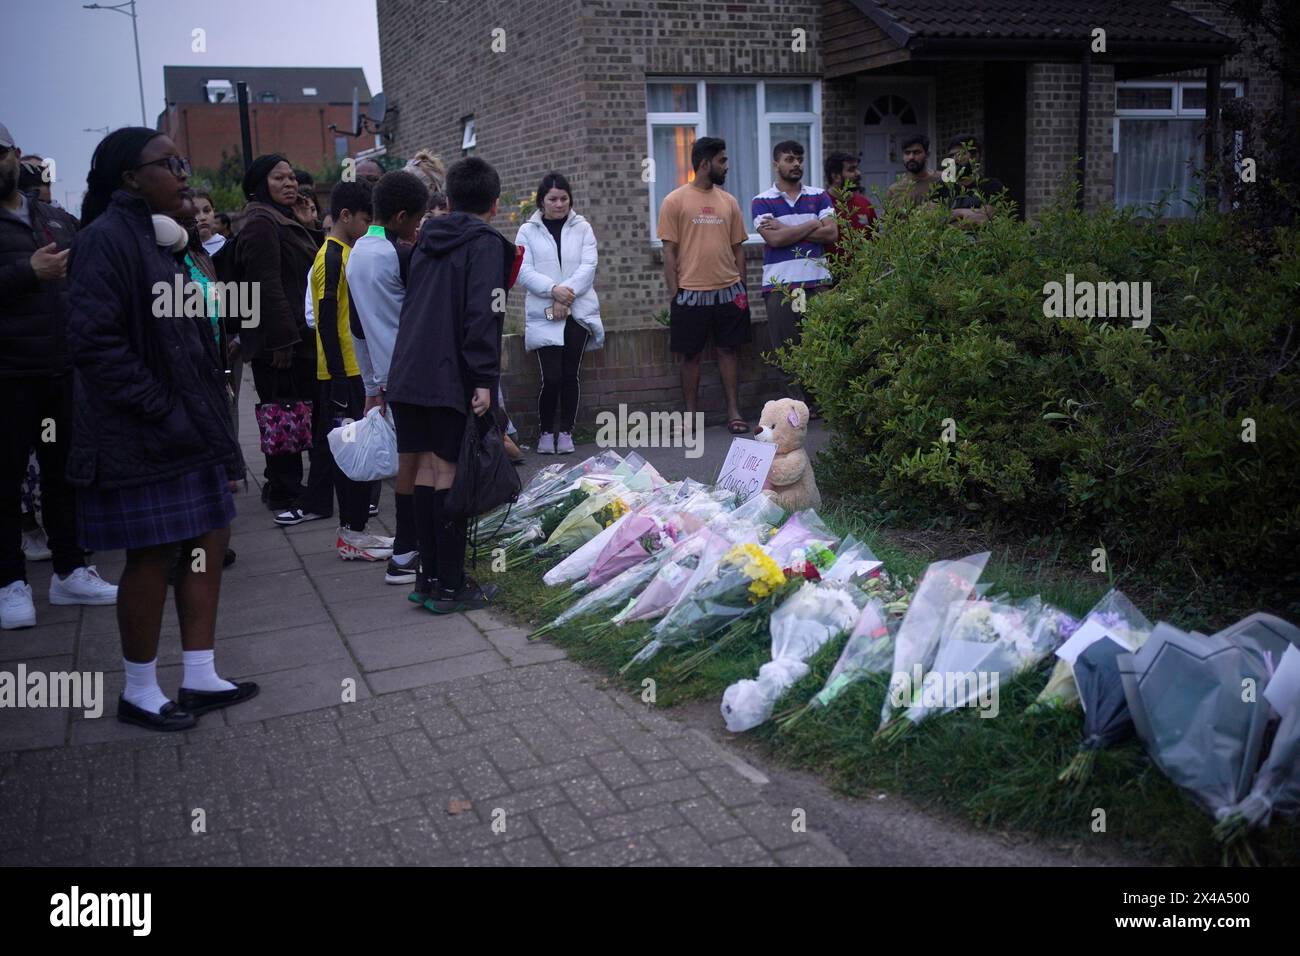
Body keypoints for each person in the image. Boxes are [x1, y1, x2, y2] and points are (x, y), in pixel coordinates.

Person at [65, 127, 253, 730]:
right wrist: (161, 408)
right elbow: (94, 343)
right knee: (151, 555)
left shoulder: (164, 239)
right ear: (129, 178)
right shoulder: (105, 241)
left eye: (182, 161)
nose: (182, 173)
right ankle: (139, 690)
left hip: (190, 425)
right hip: (142, 432)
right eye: (168, 163)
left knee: (208, 539)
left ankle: (199, 674)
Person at [0, 121, 119, 630]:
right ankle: (10, 582)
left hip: (62, 368)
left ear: (16, 155)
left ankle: (70, 570)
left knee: (64, 474)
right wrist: (29, 271)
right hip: (7, 374)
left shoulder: (53, 218)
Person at [387, 156, 516, 613]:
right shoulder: (485, 244)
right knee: (447, 472)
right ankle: (450, 585)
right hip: (447, 375)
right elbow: (484, 312)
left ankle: (427, 579)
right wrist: (483, 378)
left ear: (451, 198)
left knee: (422, 470)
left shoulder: (424, 239)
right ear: (494, 204)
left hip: (407, 373)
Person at [296, 179, 394, 560]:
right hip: (342, 377)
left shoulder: (346, 252)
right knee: (352, 456)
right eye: (367, 221)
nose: (371, 228)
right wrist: (338, 378)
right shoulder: (332, 256)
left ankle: (356, 531)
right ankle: (352, 535)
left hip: (353, 373)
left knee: (359, 454)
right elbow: (323, 321)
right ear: (345, 216)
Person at [345, 169, 429, 584]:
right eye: (416, 219)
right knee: (424, 466)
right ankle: (410, 553)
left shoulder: (358, 252)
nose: (418, 228)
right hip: (415, 372)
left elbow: (357, 325)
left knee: (408, 464)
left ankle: (406, 551)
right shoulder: (401, 256)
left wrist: (371, 386)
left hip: (388, 378)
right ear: (399, 217)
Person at [235, 154, 320, 513]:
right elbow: (265, 284)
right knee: (284, 413)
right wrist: (282, 340)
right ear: (259, 185)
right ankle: (284, 489)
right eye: (278, 178)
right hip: (281, 342)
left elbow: (312, 267)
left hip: (294, 336)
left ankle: (281, 484)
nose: (290, 184)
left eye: (291, 177)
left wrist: (309, 225)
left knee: (293, 410)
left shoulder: (280, 219)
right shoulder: (260, 222)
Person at [656, 136, 751, 435]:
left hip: (728, 291)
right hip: (690, 293)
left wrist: (742, 289)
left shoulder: (729, 201)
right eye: (722, 160)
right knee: (690, 356)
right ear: (704, 163)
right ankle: (690, 418)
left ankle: (734, 412)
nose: (727, 165)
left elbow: (739, 249)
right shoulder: (674, 201)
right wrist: (675, 293)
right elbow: (668, 252)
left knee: (728, 351)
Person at [516, 171, 604, 455]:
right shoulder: (527, 231)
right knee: (551, 377)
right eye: (553, 199)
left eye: (564, 198)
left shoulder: (583, 228)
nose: (559, 204)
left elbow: (588, 266)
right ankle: (545, 432)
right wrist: (553, 290)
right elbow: (523, 271)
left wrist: (565, 296)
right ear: (542, 201)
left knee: (570, 374)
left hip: (577, 311)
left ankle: (566, 431)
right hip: (544, 310)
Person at [751, 140, 837, 409]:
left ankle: (822, 402)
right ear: (776, 164)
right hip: (781, 286)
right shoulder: (761, 200)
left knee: (822, 343)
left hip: (817, 283)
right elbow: (774, 240)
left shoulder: (820, 195)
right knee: (787, 349)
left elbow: (832, 233)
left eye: (799, 159)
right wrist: (813, 224)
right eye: (789, 159)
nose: (796, 164)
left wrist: (789, 227)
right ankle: (798, 407)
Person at [933, 134, 1005, 225]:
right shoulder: (940, 187)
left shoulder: (991, 186)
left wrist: (957, 213)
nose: (954, 159)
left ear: (975, 156)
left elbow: (983, 219)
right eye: (951, 155)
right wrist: (969, 215)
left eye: (961, 154)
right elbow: (933, 221)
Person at [823, 150, 876, 263]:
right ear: (836, 176)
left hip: (863, 276)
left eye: (856, 168)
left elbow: (875, 240)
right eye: (851, 170)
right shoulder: (821, 204)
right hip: (831, 276)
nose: (858, 173)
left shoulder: (865, 203)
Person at [885, 134, 942, 210]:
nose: (911, 157)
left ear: (927, 154)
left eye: (916, 152)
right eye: (907, 153)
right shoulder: (894, 190)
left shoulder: (942, 180)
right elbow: (888, 220)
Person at [194, 189, 225, 256]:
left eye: (207, 211)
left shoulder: (226, 247)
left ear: (213, 211)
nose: (202, 217)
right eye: (195, 212)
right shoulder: (181, 250)